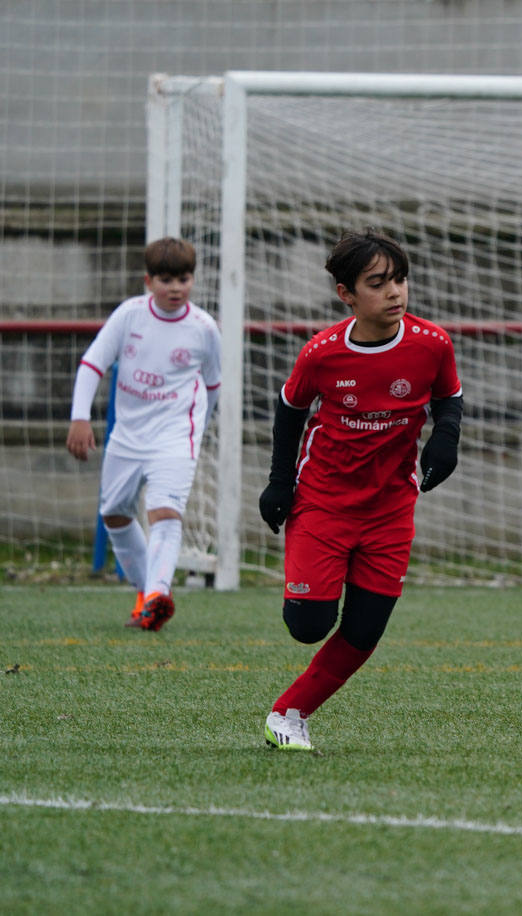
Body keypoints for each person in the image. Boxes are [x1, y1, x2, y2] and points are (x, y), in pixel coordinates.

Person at [258, 229, 462, 751]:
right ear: (346, 293)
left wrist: (446, 439)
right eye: (378, 283)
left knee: (365, 630)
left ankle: (289, 713)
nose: (395, 292)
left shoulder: (432, 343)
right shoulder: (321, 354)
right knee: (308, 625)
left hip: (391, 508)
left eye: (400, 280)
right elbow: (290, 411)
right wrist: (279, 483)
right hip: (323, 502)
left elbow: (449, 398)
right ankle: (317, 578)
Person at [66, 237, 222, 631]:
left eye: (183, 279)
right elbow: (91, 364)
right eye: (166, 279)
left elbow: (213, 385)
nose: (175, 288)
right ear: (148, 280)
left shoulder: (204, 328)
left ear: (192, 280)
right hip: (127, 435)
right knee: (115, 514)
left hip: (175, 435)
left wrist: (196, 429)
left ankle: (157, 593)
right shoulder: (129, 316)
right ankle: (145, 594)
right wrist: (79, 418)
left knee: (164, 512)